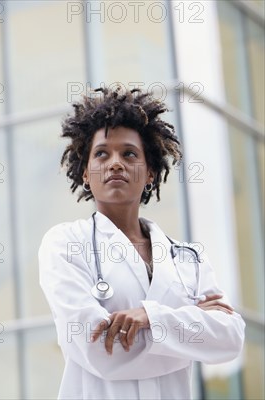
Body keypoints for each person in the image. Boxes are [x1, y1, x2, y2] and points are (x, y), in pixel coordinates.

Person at [38, 87, 245, 399]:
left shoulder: (187, 258)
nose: (116, 163)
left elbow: (230, 338)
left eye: (129, 154)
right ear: (84, 173)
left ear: (150, 172)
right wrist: (189, 325)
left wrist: (151, 318)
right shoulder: (65, 244)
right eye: (102, 153)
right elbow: (98, 350)